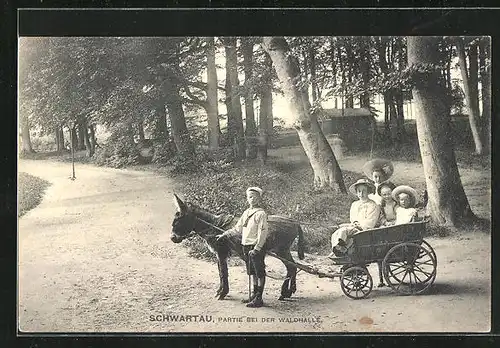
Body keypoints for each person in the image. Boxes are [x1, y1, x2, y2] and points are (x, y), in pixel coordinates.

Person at [216, 187, 269, 308]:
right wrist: (224, 234)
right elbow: (237, 228)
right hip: (245, 245)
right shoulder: (246, 213)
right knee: (252, 272)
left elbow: (263, 231)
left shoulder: (261, 214)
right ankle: (254, 295)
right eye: (250, 197)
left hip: (256, 246)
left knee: (259, 272)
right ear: (247, 199)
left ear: (259, 199)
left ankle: (259, 298)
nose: (252, 199)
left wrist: (257, 248)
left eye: (255, 197)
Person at [328, 179, 381, 258]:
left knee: (343, 231)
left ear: (368, 191)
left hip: (364, 230)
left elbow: (371, 222)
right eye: (359, 191)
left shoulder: (373, 205)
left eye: (364, 191)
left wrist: (359, 226)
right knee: (336, 232)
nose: (361, 194)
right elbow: (353, 219)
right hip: (354, 227)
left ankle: (342, 248)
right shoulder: (355, 204)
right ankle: (337, 248)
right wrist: (351, 224)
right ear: (356, 192)